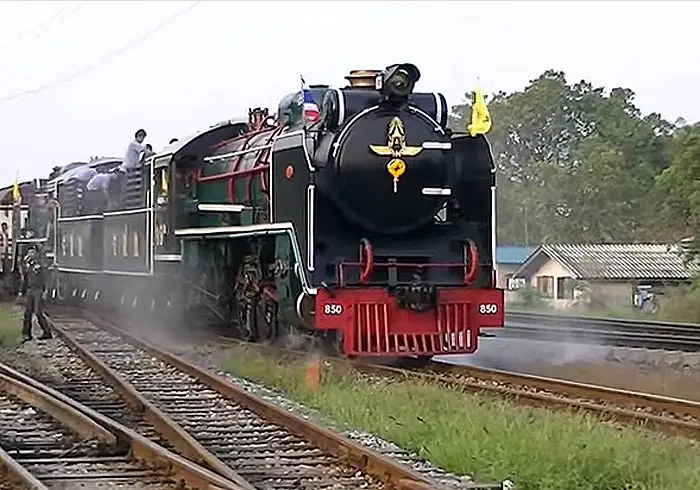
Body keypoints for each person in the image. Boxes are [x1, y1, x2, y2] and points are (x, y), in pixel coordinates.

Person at [18, 246, 52, 342]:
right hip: (30, 290)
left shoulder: (41, 264)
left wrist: (46, 291)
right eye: (29, 253)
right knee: (27, 313)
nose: (31, 254)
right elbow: (24, 279)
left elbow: (46, 278)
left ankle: (47, 332)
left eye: (33, 252)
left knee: (38, 312)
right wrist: (21, 291)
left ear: (36, 254)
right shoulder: (27, 265)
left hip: (38, 290)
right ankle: (26, 334)